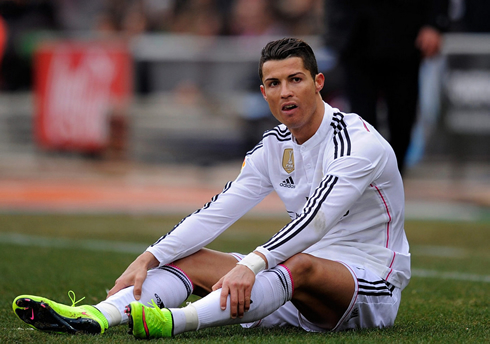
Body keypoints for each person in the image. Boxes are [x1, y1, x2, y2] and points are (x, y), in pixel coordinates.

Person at [12, 37, 410, 339]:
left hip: (369, 284)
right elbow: (218, 210)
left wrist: (250, 264)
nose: (285, 91)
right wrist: (149, 257)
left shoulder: (357, 143)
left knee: (296, 262)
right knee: (189, 257)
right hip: (292, 285)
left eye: (296, 79)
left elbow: (315, 221)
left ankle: (173, 323)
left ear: (318, 82)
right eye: (274, 83)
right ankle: (97, 316)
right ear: (263, 93)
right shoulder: (272, 147)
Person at [323, 0, 450, 174]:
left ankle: (394, 176)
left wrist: (434, 23)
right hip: (355, 35)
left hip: (404, 35)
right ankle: (364, 177)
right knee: (360, 119)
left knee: (402, 116)